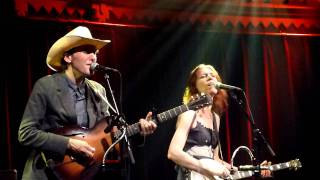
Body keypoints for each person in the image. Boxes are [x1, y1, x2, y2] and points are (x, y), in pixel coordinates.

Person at [18, 26, 157, 180]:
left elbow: (108, 139)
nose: (94, 57)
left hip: (84, 175)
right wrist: (68, 144)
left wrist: (139, 132)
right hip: (46, 173)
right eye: (87, 51)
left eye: (95, 53)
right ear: (68, 58)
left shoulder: (98, 90)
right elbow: (26, 133)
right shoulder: (46, 86)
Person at [167, 64, 271, 180]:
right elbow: (173, 153)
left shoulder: (216, 118)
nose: (210, 78)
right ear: (194, 86)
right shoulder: (189, 113)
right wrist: (204, 168)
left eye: (213, 76)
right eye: (203, 76)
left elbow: (215, 160)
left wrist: (252, 170)